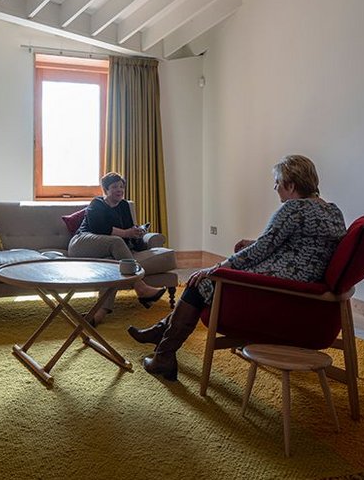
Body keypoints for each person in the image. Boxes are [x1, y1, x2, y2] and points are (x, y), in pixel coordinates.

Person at [128, 155, 347, 381]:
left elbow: (261, 250)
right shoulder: (332, 211)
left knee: (200, 281)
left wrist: (215, 268)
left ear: (291, 185)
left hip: (282, 291)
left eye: (278, 183)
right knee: (205, 279)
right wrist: (255, 244)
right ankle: (161, 332)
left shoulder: (293, 209)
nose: (275, 187)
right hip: (301, 283)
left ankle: (164, 355)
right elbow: (300, 245)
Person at [68, 172, 167, 324]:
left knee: (112, 264)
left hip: (105, 249)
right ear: (106, 190)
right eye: (114, 187)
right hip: (81, 243)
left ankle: (98, 313)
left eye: (121, 186)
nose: (119, 190)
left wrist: (136, 233)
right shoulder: (97, 204)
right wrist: (126, 233)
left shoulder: (124, 206)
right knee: (116, 241)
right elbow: (98, 227)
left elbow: (128, 230)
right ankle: (140, 286)